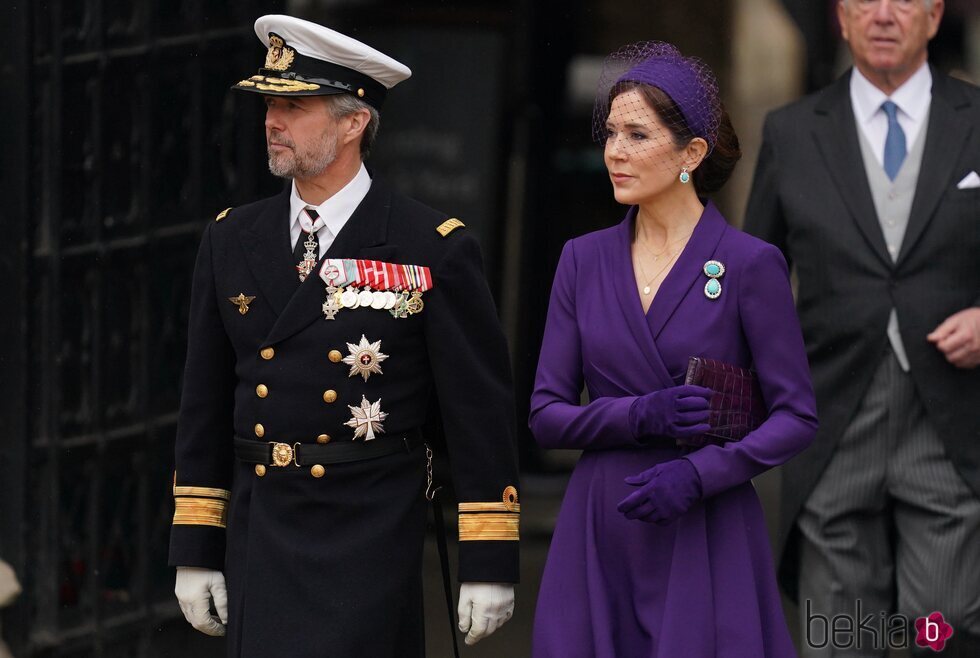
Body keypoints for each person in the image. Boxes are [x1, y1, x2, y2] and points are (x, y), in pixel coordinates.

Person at [168, 15, 520, 657]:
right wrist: (194, 547)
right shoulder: (231, 238)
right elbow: (204, 403)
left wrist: (489, 558)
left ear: (354, 121)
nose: (271, 120)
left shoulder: (430, 245)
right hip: (262, 526)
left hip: (369, 531)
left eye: (294, 105)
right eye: (269, 103)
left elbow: (478, 413)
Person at [529, 41, 819, 658]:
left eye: (637, 134)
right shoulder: (581, 260)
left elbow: (796, 416)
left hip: (705, 522)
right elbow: (546, 415)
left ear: (691, 153)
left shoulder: (750, 264)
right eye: (610, 133)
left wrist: (701, 472)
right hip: (602, 519)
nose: (614, 151)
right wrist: (638, 415)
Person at [745, 1, 980, 655]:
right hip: (831, 420)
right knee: (840, 637)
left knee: (943, 628)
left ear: (934, 17)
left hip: (953, 427)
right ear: (840, 19)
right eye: (863, 1)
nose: (882, 14)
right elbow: (753, 280)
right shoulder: (791, 132)